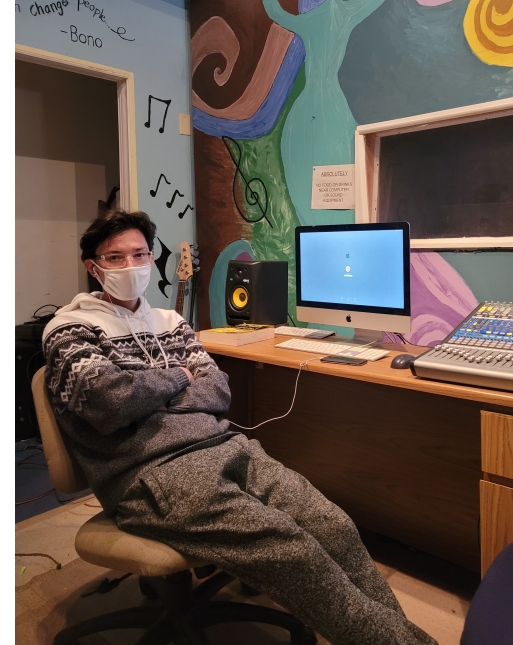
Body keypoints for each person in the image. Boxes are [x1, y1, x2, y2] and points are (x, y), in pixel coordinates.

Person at [43, 209, 437, 645]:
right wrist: (179, 378)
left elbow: (219, 390)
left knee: (333, 524)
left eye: (140, 254)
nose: (131, 266)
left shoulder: (169, 323)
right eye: (115, 258)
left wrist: (154, 398)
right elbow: (110, 401)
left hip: (226, 447)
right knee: (292, 549)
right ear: (92, 266)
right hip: (151, 475)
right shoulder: (69, 329)